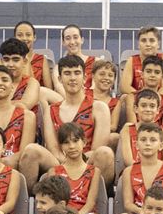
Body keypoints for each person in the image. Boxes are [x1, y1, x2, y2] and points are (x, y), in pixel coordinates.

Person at [46, 53, 116, 181]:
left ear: (84, 78)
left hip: (89, 163)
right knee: (32, 150)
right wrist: (69, 165)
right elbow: (54, 150)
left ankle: (95, 192)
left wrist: (77, 165)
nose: (73, 78)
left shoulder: (99, 108)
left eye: (77, 73)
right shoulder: (50, 110)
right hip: (60, 162)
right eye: (67, 73)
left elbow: (96, 150)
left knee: (105, 153)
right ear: (60, 79)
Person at [121, 122, 163, 214]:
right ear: (136, 145)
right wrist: (139, 211)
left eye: (153, 140)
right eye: (143, 140)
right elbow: (128, 203)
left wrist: (160, 212)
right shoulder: (129, 171)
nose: (148, 143)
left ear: (161, 146)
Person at [52, 122, 103, 214]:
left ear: (84, 142)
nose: (71, 146)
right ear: (61, 146)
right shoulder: (53, 171)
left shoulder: (94, 171)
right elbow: (53, 202)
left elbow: (90, 203)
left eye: (75, 141)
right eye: (66, 142)